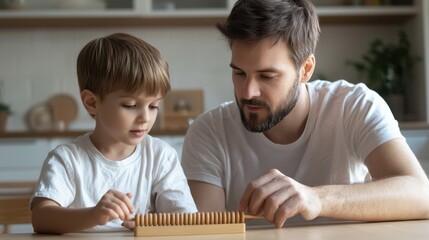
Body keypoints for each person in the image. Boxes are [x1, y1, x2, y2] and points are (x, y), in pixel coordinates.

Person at [181, 0, 429, 228]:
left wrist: (317, 198)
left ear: (306, 69)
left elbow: (421, 195)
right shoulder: (209, 131)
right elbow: (205, 231)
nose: (248, 92)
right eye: (239, 73)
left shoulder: (354, 106)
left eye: (267, 76)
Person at [30, 33, 197, 234]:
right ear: (92, 103)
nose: (145, 117)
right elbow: (41, 218)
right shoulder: (67, 159)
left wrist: (155, 222)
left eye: (154, 106)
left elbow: (186, 218)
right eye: (130, 105)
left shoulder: (161, 156)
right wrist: (93, 215)